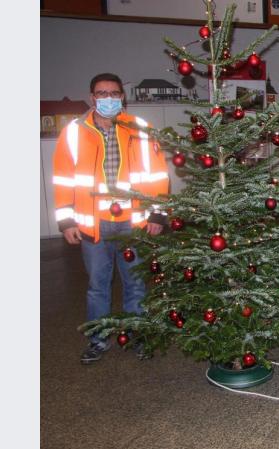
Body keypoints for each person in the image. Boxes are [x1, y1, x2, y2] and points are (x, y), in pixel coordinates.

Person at [52, 73, 170, 364]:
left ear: (122, 96)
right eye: (102, 93)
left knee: (136, 284)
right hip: (94, 223)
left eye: (113, 93)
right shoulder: (74, 132)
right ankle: (99, 339)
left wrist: (157, 213)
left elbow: (157, 176)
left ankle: (137, 335)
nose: (108, 99)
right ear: (92, 97)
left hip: (134, 221)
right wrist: (66, 221)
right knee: (97, 285)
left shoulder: (141, 129)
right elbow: (63, 179)